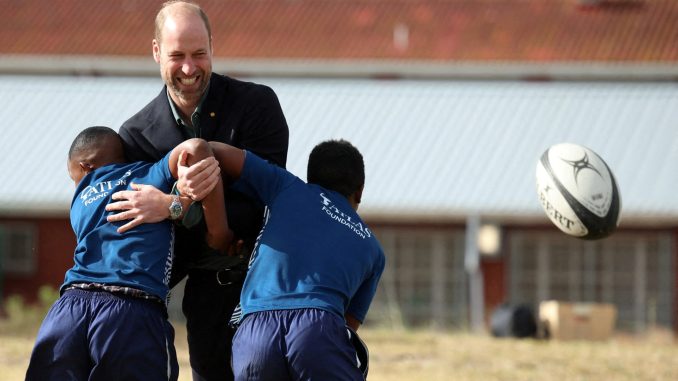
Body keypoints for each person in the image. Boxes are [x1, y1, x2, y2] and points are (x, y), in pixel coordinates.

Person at [108, 1, 289, 380]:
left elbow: (266, 203)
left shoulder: (258, 105)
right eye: (177, 56)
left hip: (267, 291)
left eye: (199, 54)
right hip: (206, 297)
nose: (189, 69)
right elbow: (148, 235)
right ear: (156, 52)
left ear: (212, 46)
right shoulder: (135, 135)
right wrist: (183, 207)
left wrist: (175, 205)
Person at [25, 127, 230, 381]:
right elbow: (196, 146)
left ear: (86, 167)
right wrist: (208, 222)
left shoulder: (81, 198)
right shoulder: (148, 176)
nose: (76, 185)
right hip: (130, 310)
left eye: (73, 177)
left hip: (68, 309)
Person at [186, 139, 385, 381]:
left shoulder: (286, 186)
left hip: (255, 332)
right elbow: (346, 327)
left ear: (310, 176)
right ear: (360, 190)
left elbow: (207, 148)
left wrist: (218, 230)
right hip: (318, 328)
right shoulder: (372, 248)